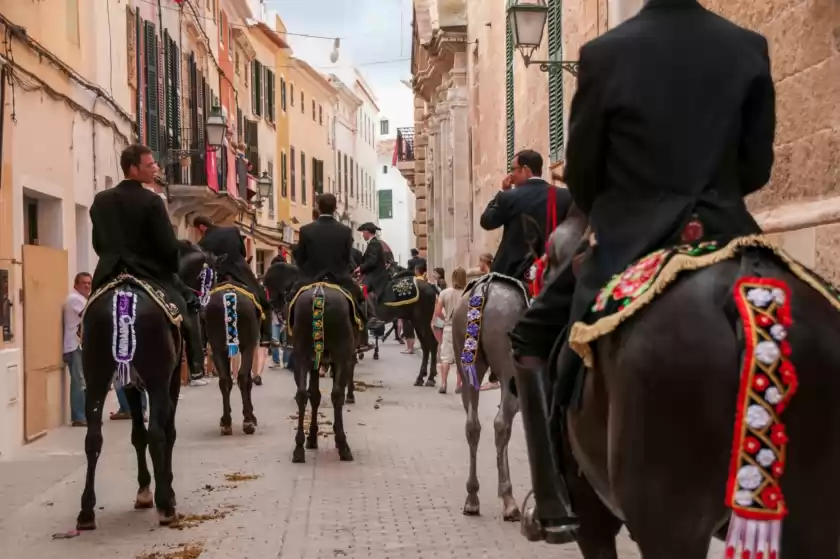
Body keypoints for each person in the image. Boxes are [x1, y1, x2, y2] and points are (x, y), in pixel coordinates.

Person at [510, 0, 776, 536]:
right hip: (731, 236)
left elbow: (583, 174)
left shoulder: (604, 54)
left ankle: (554, 500)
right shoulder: (748, 46)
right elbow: (757, 165)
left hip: (632, 242)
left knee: (529, 336)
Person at [89, 144, 206, 386]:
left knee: (89, 316)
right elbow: (166, 246)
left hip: (109, 272)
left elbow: (98, 244)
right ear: (133, 169)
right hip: (149, 272)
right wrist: (173, 267)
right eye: (150, 164)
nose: (156, 168)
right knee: (186, 311)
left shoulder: (100, 201)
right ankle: (196, 365)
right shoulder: (152, 201)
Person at [480, 150, 572, 285]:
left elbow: (487, 221)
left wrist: (502, 192)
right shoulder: (565, 196)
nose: (511, 174)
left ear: (526, 170)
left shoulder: (508, 197)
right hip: (554, 274)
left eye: (513, 169)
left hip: (511, 276)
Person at [294, 194, 369, 348]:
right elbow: (347, 258)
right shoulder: (345, 231)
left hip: (310, 279)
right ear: (335, 208)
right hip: (339, 279)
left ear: (317, 207)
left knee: (290, 302)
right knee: (360, 302)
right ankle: (361, 336)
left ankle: (290, 338)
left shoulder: (305, 230)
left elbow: (300, 259)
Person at [193, 214, 272, 350]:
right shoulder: (233, 230)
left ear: (201, 227)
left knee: (201, 305)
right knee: (263, 301)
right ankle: (266, 337)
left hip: (219, 275)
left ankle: (203, 341)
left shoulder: (203, 243)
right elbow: (243, 252)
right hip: (240, 270)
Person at [63, 272, 91, 427]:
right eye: (83, 283)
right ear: (76, 285)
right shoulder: (75, 299)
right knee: (79, 382)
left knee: (83, 382)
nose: (87, 286)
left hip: (81, 346)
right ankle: (78, 417)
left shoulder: (83, 299)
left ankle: (83, 415)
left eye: (89, 283)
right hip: (74, 346)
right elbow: (89, 315)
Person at [433, 267, 466, 394]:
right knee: (461, 358)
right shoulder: (468, 293)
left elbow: (437, 312)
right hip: (463, 328)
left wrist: (446, 318)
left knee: (445, 357)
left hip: (448, 327)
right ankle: (459, 384)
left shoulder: (444, 293)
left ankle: (443, 383)